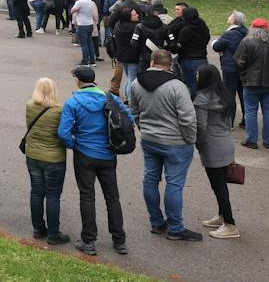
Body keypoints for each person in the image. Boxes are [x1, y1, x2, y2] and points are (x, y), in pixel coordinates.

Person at [128, 49, 201, 241]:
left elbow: (134, 110)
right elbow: (188, 118)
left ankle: (156, 221)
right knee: (174, 184)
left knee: (150, 179)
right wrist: (190, 139)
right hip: (176, 142)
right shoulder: (177, 87)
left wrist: (143, 128)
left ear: (152, 62)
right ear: (170, 65)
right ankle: (176, 227)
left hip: (150, 140)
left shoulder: (136, 83)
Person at [58, 64, 129, 256]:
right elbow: (127, 118)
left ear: (78, 81)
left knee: (87, 196)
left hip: (84, 154)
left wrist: (76, 144)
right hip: (107, 154)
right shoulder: (110, 98)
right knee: (112, 197)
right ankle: (119, 240)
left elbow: (63, 133)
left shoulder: (72, 102)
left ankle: (89, 240)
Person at [192, 64, 240, 239]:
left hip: (212, 146)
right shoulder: (226, 96)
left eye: (198, 75)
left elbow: (201, 126)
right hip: (226, 144)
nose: (196, 77)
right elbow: (228, 124)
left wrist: (197, 143)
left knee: (218, 186)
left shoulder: (201, 99)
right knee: (221, 184)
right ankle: (222, 216)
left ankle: (230, 224)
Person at [23, 76, 70, 244]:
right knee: (53, 195)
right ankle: (53, 233)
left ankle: (38, 229)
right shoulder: (59, 111)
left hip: (33, 155)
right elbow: (63, 133)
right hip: (53, 158)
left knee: (36, 192)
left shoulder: (30, 106)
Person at [234, 18, 269, 149]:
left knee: (251, 111)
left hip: (251, 82)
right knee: (268, 111)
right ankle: (268, 140)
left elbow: (238, 62)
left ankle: (252, 139)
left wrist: (244, 74)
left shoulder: (247, 42)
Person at [167, 5, 211, 93]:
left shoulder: (186, 30)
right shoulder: (203, 27)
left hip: (189, 60)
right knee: (203, 86)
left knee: (190, 86)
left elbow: (178, 47)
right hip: (202, 59)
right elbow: (207, 39)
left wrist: (171, 41)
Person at [212, 10, 247, 121]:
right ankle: (246, 120)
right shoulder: (246, 32)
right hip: (244, 68)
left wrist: (216, 43)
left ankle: (229, 120)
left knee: (229, 95)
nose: (229, 17)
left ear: (234, 20)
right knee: (243, 95)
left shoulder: (229, 34)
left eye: (231, 16)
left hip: (230, 68)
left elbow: (217, 46)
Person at [71, 0, 100, 66]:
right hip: (90, 23)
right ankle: (92, 61)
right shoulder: (90, 1)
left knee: (84, 44)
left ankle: (85, 61)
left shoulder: (79, 2)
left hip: (82, 24)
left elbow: (72, 10)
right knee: (89, 42)